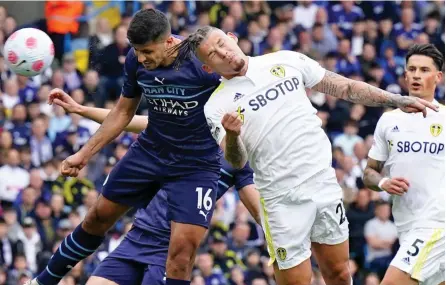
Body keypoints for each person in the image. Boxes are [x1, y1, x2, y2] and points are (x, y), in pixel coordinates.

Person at [172, 26, 439, 285]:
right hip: (281, 200)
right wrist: (232, 135)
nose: (224, 53)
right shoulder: (216, 106)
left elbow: (344, 87)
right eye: (213, 55)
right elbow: (237, 161)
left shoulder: (285, 59)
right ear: (208, 67)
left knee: (339, 274)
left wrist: (394, 100)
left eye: (222, 44)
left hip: (323, 183)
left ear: (232, 37)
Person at [27, 9, 224, 285]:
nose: (140, 58)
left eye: (146, 51)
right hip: (151, 151)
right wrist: (84, 153)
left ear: (169, 43)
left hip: (195, 166)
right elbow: (123, 112)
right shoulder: (135, 60)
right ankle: (42, 282)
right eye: (136, 51)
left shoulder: (204, 64)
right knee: (96, 217)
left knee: (180, 256)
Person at [49, 92, 259, 285]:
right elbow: (127, 119)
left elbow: (259, 213)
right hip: (138, 235)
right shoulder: (188, 128)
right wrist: (81, 109)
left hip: (170, 251)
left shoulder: (238, 160)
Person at [363, 44, 445, 285]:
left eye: (424, 69)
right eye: (412, 69)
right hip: (406, 226)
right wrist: (384, 182)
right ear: (405, 75)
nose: (417, 75)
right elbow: (369, 172)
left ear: (438, 77)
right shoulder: (388, 121)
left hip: (436, 223)